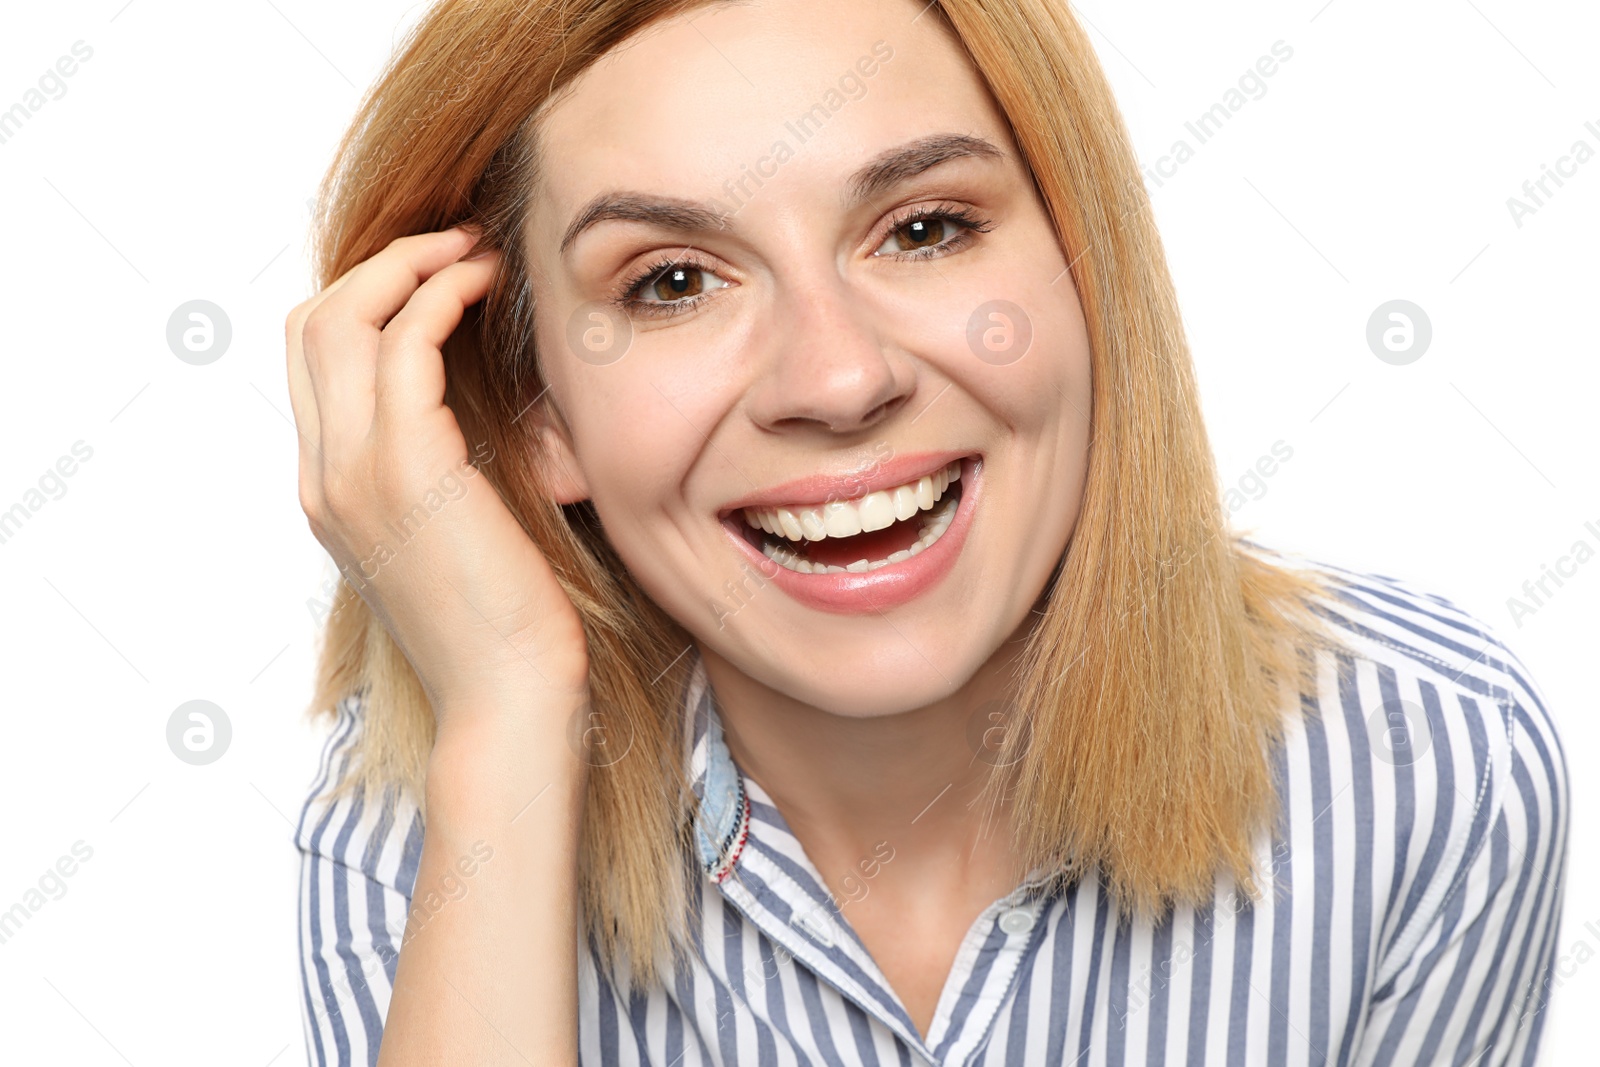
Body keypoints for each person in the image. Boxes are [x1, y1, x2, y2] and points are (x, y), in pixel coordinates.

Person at [284, 0, 1569, 1063]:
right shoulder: (427, 828)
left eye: (924, 229)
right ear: (535, 411)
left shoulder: (1426, 752)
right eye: (671, 281)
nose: (838, 381)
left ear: (1083, 271)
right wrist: (509, 714)